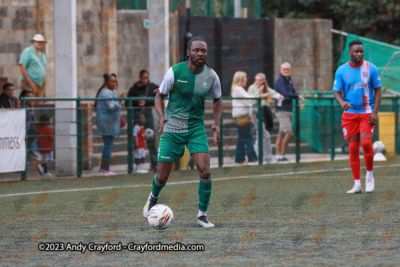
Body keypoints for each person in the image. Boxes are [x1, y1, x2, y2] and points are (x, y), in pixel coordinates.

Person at [142, 36, 222, 228]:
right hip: (172, 128)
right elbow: (159, 95)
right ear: (188, 52)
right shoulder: (174, 72)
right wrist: (161, 116)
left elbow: (218, 99)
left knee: (205, 171)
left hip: (196, 129)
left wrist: (217, 124)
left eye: (203, 50)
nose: (200, 53)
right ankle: (153, 197)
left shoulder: (212, 76)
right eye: (196, 50)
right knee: (162, 176)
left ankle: (202, 215)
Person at [333, 40, 382, 194]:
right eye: (356, 51)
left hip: (367, 112)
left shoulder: (371, 68)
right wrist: (342, 103)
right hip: (349, 115)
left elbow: (378, 91)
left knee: (366, 143)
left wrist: (375, 112)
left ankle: (369, 177)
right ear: (350, 53)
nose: (359, 54)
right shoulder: (341, 70)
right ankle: (357, 184)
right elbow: (336, 92)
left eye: (361, 51)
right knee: (353, 148)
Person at [231, 71, 269, 164]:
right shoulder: (238, 88)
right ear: (240, 79)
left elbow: (248, 101)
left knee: (244, 137)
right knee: (247, 137)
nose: (246, 79)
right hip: (242, 116)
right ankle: (251, 158)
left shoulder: (238, 89)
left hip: (244, 115)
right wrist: (260, 94)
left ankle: (240, 159)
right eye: (245, 77)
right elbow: (249, 97)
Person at [126, 69, 159, 172]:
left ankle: (155, 164)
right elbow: (127, 103)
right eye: (143, 78)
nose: (145, 80)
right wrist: (136, 102)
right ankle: (135, 166)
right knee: (136, 140)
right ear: (140, 77)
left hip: (148, 115)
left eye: (147, 78)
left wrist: (157, 92)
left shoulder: (152, 87)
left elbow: (160, 96)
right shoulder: (134, 89)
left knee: (151, 138)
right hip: (137, 115)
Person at [248, 73, 284, 164]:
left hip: (264, 114)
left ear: (263, 80)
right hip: (255, 114)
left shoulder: (265, 87)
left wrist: (279, 96)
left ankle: (261, 158)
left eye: (259, 80)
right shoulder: (252, 88)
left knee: (261, 135)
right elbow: (250, 99)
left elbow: (273, 93)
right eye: (256, 80)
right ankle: (262, 158)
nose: (257, 82)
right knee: (264, 135)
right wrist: (260, 93)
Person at [274, 62, 305, 162]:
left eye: (288, 69)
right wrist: (297, 96)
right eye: (284, 69)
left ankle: (278, 155)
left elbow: (292, 91)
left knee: (282, 132)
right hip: (282, 110)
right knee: (289, 132)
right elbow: (285, 92)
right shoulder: (279, 80)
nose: (286, 71)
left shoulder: (289, 79)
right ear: (280, 70)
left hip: (289, 109)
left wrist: (296, 95)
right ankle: (281, 155)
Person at [95, 73, 121, 176]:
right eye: (112, 81)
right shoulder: (106, 93)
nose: (114, 83)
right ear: (107, 83)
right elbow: (111, 106)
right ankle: (105, 168)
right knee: (108, 146)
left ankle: (103, 168)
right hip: (107, 124)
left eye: (115, 81)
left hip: (107, 123)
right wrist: (119, 101)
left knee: (107, 145)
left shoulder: (106, 92)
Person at [19, 34, 47, 99]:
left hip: (40, 83)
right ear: (33, 42)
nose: (39, 44)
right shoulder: (28, 51)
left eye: (41, 42)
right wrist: (29, 81)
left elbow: (42, 67)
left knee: (38, 103)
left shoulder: (42, 53)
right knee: (30, 102)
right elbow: (22, 66)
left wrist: (45, 78)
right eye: (37, 42)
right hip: (30, 82)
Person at [20, 88, 41, 161]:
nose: (30, 99)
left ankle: (32, 153)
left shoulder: (30, 106)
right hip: (23, 129)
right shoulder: (21, 106)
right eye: (28, 97)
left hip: (30, 129)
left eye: (31, 97)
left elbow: (33, 118)